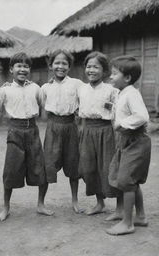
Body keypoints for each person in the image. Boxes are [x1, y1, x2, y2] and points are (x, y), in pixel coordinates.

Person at [0, 52, 54, 221]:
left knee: (40, 167)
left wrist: (50, 85)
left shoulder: (36, 88)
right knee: (11, 169)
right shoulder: (5, 90)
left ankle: (41, 204)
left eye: (26, 66)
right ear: (11, 69)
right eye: (18, 66)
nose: (22, 69)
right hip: (15, 130)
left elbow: (46, 102)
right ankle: (6, 208)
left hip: (33, 130)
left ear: (30, 70)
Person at [106, 56, 151, 235]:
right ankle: (140, 216)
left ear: (127, 78)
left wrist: (121, 124)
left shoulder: (132, 93)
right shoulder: (122, 93)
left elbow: (142, 116)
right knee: (132, 180)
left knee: (126, 181)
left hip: (135, 141)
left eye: (115, 73)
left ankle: (128, 222)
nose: (110, 76)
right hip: (126, 141)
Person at [40, 49, 83, 213]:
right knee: (48, 164)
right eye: (57, 63)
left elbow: (89, 95)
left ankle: (74, 200)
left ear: (69, 66)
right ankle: (40, 202)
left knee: (73, 163)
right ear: (51, 66)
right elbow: (38, 101)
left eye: (64, 63)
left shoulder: (77, 84)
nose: (60, 66)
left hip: (71, 126)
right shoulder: (45, 87)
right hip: (53, 127)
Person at [78, 51, 120, 215]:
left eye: (96, 67)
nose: (91, 70)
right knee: (89, 168)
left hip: (105, 131)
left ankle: (120, 208)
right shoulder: (81, 89)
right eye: (89, 66)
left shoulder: (111, 90)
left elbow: (116, 113)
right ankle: (99, 203)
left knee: (109, 168)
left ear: (104, 70)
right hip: (87, 131)